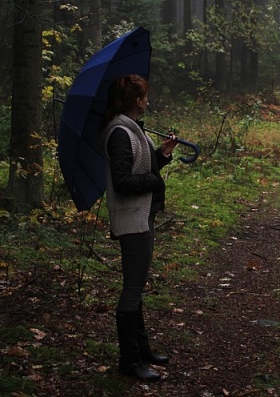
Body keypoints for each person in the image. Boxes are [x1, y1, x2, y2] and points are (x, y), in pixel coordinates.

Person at [102, 74, 177, 381]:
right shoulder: (120, 132)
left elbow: (141, 168)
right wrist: (154, 180)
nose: (148, 101)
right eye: (145, 96)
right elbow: (122, 182)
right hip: (131, 219)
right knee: (132, 290)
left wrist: (162, 154)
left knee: (137, 287)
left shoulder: (131, 130)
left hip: (142, 215)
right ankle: (130, 362)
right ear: (136, 101)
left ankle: (142, 351)